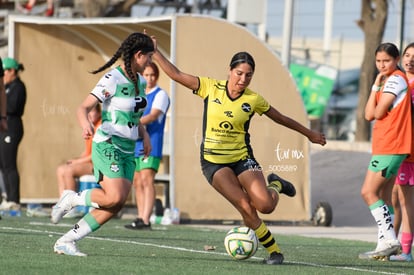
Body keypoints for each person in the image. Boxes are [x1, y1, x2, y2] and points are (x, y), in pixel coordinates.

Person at [150, 36, 327, 264]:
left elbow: (281, 118)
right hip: (214, 163)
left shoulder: (253, 100)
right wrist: (155, 53)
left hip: (243, 158)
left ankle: (276, 184)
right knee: (244, 205)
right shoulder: (210, 88)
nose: (243, 79)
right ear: (230, 70)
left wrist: (309, 134)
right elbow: (175, 74)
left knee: (265, 206)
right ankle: (275, 251)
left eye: (248, 75)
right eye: (239, 73)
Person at [50, 32, 153, 256]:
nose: (151, 62)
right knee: (113, 197)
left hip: (128, 149)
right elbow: (83, 108)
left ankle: (67, 240)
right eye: (149, 57)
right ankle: (72, 198)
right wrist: (84, 123)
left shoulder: (142, 82)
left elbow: (135, 116)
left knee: (114, 206)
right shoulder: (112, 78)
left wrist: (144, 135)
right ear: (138, 56)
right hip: (108, 144)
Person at [359, 42, 412, 260]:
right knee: (384, 197)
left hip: (392, 145)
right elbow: (368, 115)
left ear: (396, 59)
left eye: (386, 61)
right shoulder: (385, 80)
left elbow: (379, 112)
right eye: (378, 61)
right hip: (385, 145)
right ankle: (384, 243)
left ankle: (390, 239)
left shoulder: (397, 79)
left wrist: (379, 90)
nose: (382, 65)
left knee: (368, 192)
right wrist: (374, 86)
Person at [125, 62, 170, 230]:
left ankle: (146, 219)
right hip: (134, 143)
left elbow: (153, 116)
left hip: (152, 143)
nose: (149, 78)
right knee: (137, 181)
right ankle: (139, 217)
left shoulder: (161, 95)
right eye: (146, 75)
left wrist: (130, 123)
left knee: (147, 179)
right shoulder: (138, 94)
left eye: (152, 75)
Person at [389, 42, 414, 262]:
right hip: (395, 149)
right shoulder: (398, 81)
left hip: (408, 152)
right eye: (407, 54)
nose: (410, 59)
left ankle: (405, 250)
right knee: (395, 199)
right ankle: (390, 244)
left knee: (406, 201)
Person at [56, 104, 101, 196]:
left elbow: (96, 155)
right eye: (87, 112)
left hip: (99, 165)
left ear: (99, 113)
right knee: (60, 169)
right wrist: (76, 159)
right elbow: (88, 151)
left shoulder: (101, 127)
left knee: (69, 171)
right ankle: (62, 202)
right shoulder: (90, 127)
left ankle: (70, 204)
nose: (89, 115)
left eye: (92, 111)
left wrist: (78, 162)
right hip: (89, 163)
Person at [0, 57, 27, 211]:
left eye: (5, 71)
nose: (3, 74)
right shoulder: (7, 86)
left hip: (13, 126)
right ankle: (8, 197)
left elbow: (13, 107)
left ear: (12, 71)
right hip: (5, 127)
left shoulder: (18, 87)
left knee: (10, 164)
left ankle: (14, 200)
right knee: (3, 163)